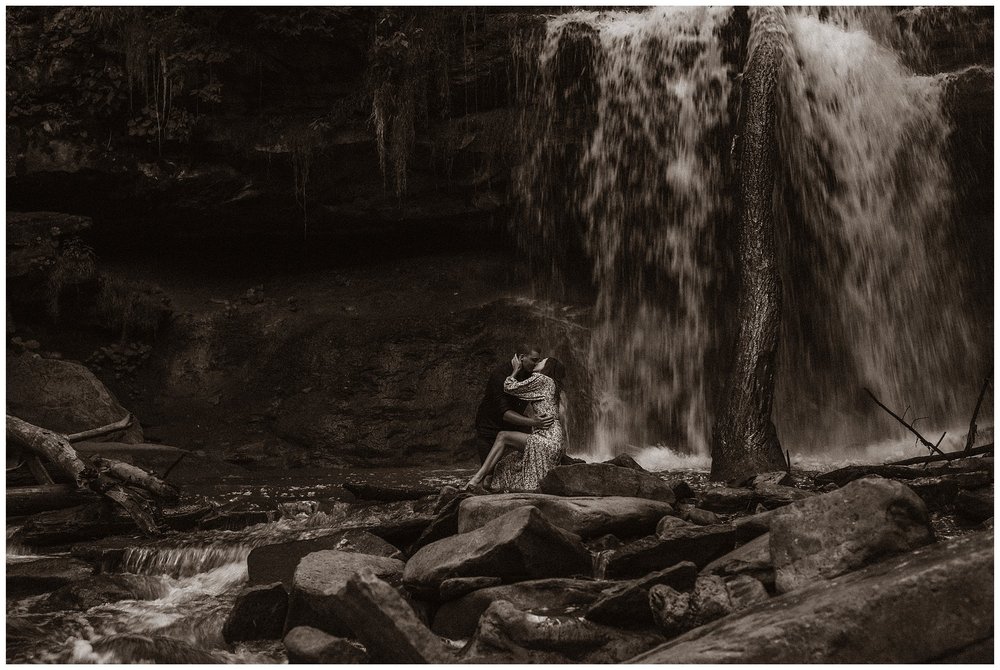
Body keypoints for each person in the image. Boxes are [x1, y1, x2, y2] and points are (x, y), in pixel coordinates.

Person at [466, 356, 568, 492]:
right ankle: (488, 486)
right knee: (505, 464)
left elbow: (509, 387)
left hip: (547, 440)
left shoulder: (542, 379)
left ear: (547, 366)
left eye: (542, 361)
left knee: (503, 436)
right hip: (555, 441)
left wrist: (515, 370)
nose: (538, 362)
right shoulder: (553, 385)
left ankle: (476, 479)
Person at [472, 346, 554, 464]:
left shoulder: (531, 374)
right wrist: (534, 422)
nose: (536, 364)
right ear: (521, 357)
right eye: (534, 360)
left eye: (539, 361)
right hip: (489, 433)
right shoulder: (500, 374)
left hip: (515, 429)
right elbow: (505, 414)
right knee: (489, 476)